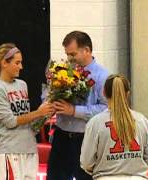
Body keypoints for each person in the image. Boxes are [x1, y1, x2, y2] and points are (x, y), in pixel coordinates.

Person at [0, 43, 54, 180]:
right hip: (10, 151)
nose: (21, 67)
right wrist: (38, 112)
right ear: (4, 63)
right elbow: (11, 122)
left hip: (30, 148)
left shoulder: (22, 85)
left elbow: (29, 122)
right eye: (17, 62)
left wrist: (48, 112)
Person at [47, 31, 109, 180]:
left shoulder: (102, 76)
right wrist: (51, 103)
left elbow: (106, 109)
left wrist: (74, 111)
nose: (69, 59)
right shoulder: (62, 71)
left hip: (86, 138)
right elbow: (49, 95)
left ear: (86, 50)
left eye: (73, 54)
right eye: (67, 54)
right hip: (61, 136)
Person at [80, 74, 148, 180]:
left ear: (104, 93)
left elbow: (86, 162)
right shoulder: (142, 120)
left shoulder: (95, 123)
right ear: (128, 93)